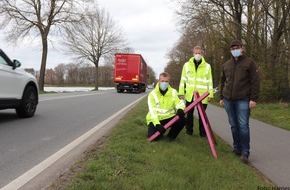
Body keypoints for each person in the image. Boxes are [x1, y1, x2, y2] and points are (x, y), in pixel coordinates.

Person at [219, 39, 260, 164]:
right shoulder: (226, 64)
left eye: (237, 47)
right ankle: (236, 148)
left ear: (242, 48)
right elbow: (222, 82)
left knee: (243, 126)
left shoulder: (249, 63)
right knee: (233, 125)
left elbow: (255, 81)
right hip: (228, 100)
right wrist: (221, 97)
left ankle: (245, 152)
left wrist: (253, 99)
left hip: (243, 99)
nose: (235, 50)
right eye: (233, 48)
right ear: (230, 50)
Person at [178, 46, 214, 137]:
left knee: (202, 115)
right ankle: (189, 131)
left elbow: (210, 81)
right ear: (193, 54)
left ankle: (203, 133)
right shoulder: (186, 65)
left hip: (203, 95)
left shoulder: (207, 66)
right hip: (190, 94)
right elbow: (183, 80)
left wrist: (211, 94)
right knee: (189, 114)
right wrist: (181, 93)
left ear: (202, 54)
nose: (197, 55)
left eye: (199, 53)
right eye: (196, 53)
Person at [146, 72, 186, 141]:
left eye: (166, 81)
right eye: (162, 81)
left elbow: (179, 103)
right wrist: (157, 124)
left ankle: (171, 137)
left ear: (169, 82)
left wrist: (180, 109)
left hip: (169, 117)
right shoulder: (152, 94)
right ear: (159, 81)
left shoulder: (173, 92)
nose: (164, 83)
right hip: (157, 119)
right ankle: (160, 132)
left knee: (183, 120)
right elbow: (152, 111)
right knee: (153, 138)